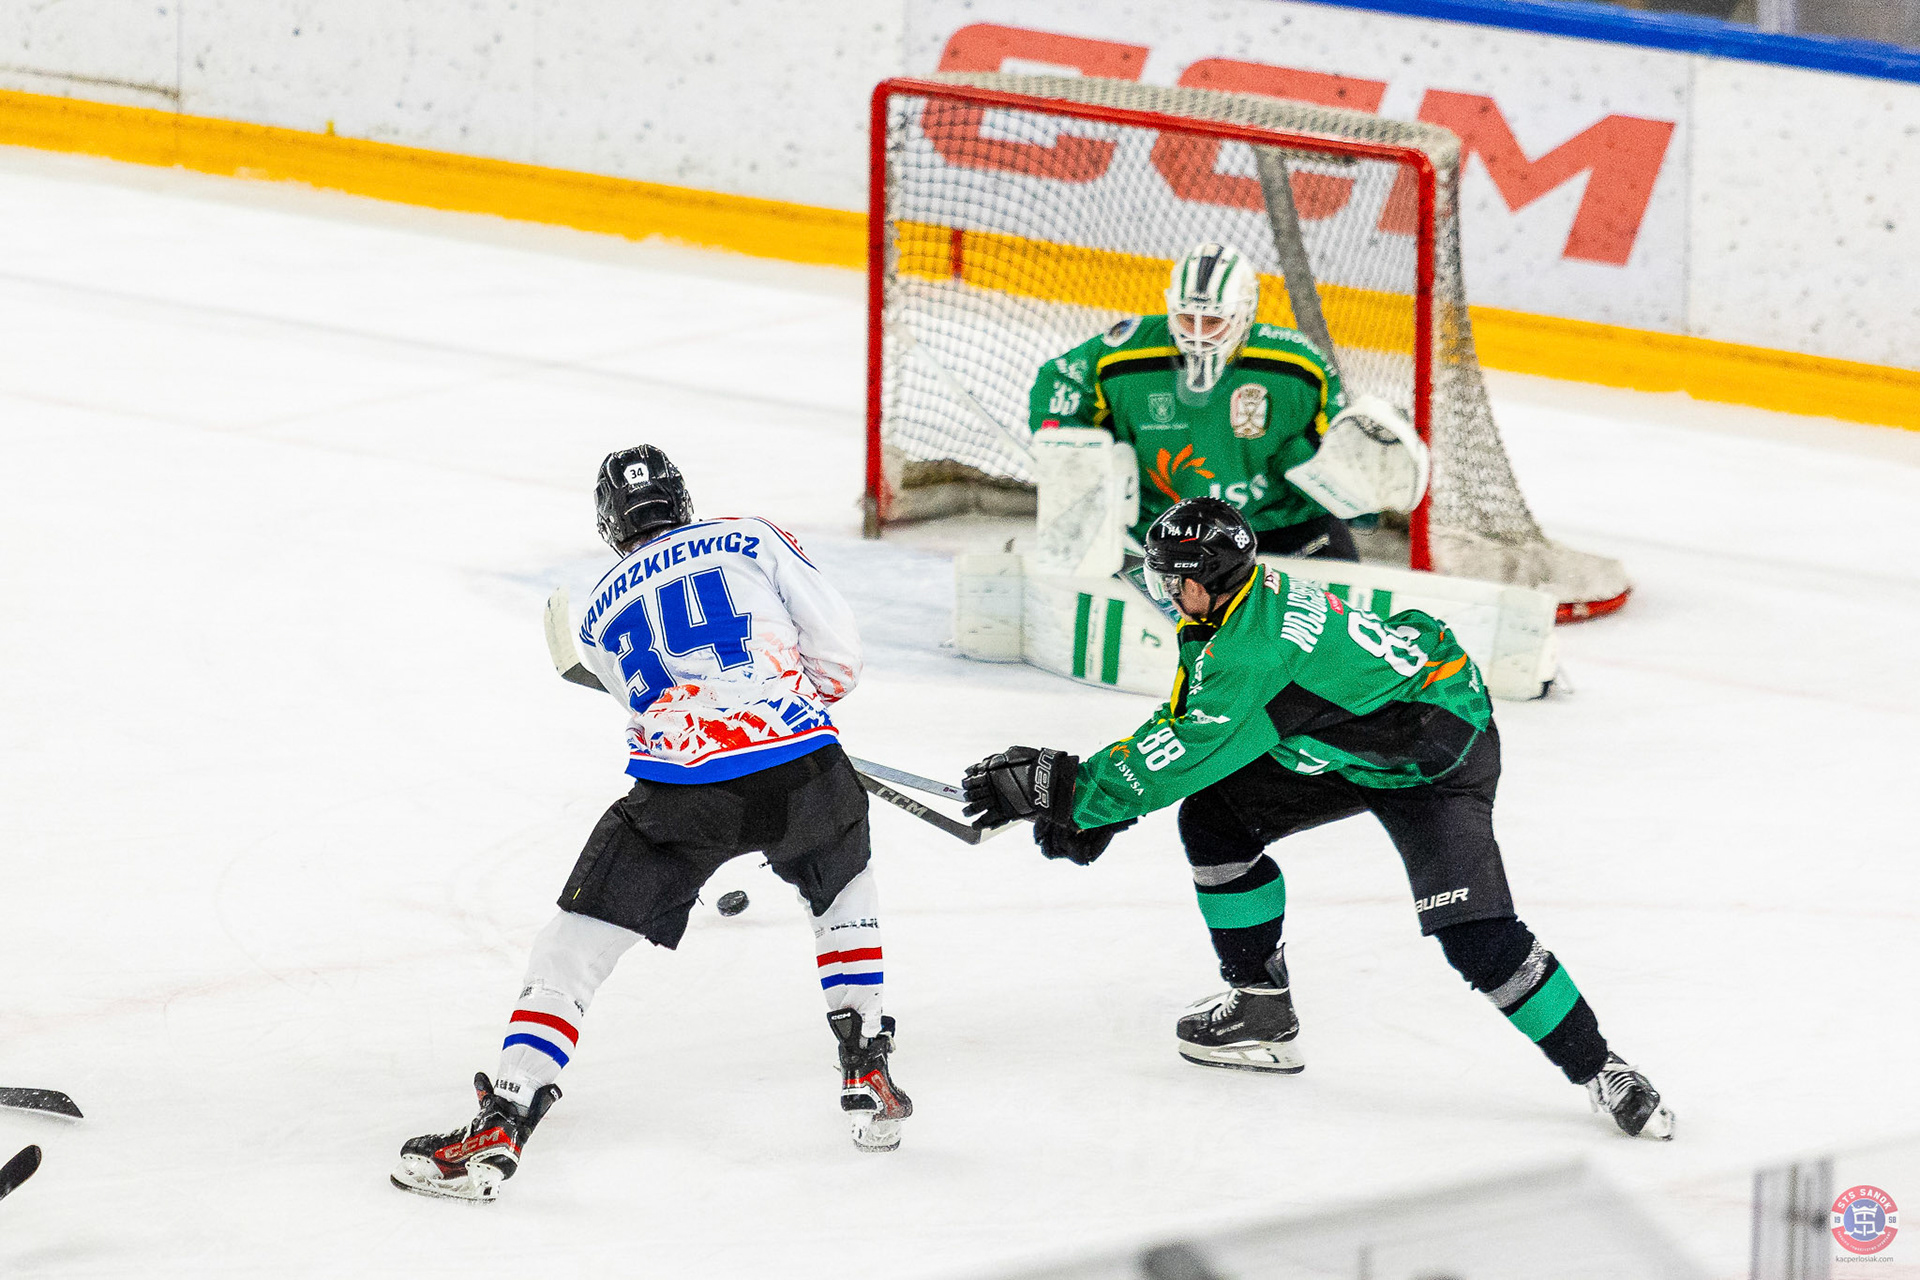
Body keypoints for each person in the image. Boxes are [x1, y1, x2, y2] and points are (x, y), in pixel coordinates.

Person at [960, 496, 1675, 1141]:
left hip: (1435, 756)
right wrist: (1104, 807)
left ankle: (1602, 1068)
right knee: (1216, 820)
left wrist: (1067, 792)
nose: (1164, 590)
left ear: (1207, 578)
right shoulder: (1239, 602)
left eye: (1172, 577)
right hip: (1353, 737)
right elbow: (1196, 728)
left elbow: (1191, 741)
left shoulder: (1250, 649)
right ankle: (1262, 1010)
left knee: (1475, 936)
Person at [392, 446, 911, 1202]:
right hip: (804, 766)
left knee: (570, 948)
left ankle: (503, 1120)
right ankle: (866, 1067)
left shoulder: (599, 611)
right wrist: (796, 711)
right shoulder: (752, 536)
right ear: (682, 500)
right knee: (843, 893)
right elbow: (838, 659)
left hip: (683, 796)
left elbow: (646, 703)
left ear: (610, 524)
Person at [1029, 241, 1359, 562]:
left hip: (1281, 531)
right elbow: (1061, 379)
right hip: (1165, 530)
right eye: (1188, 318)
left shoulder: (1298, 365)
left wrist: (1345, 481)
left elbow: (1338, 442)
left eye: (1213, 322)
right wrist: (1069, 453)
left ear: (1245, 313)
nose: (1198, 334)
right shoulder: (1122, 354)